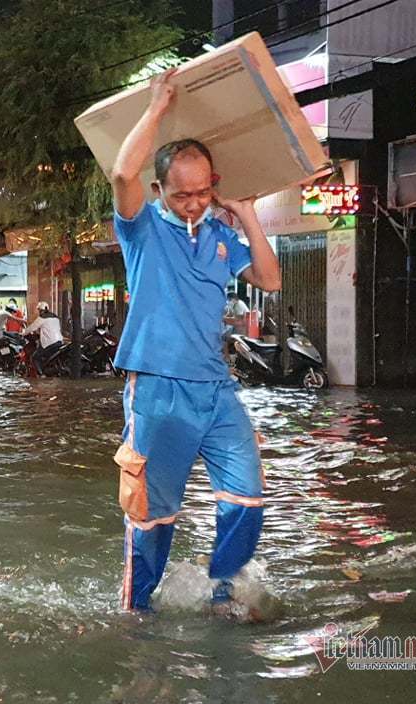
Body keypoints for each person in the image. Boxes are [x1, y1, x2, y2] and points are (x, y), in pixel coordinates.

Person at [109, 69, 282, 614]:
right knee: (152, 514)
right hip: (157, 390)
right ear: (160, 190)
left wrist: (248, 213)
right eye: (182, 194)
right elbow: (120, 172)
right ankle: (136, 610)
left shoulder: (221, 236)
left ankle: (222, 594)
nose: (193, 203)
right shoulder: (142, 229)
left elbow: (271, 280)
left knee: (247, 496)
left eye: (203, 192)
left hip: (215, 389)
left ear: (214, 185)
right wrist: (157, 108)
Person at [22, 301, 64, 376]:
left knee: (35, 357)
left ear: (41, 310)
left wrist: (23, 333)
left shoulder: (42, 318)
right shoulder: (55, 317)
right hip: (59, 341)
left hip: (49, 343)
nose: (39, 312)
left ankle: (41, 375)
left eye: (39, 310)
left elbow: (32, 327)